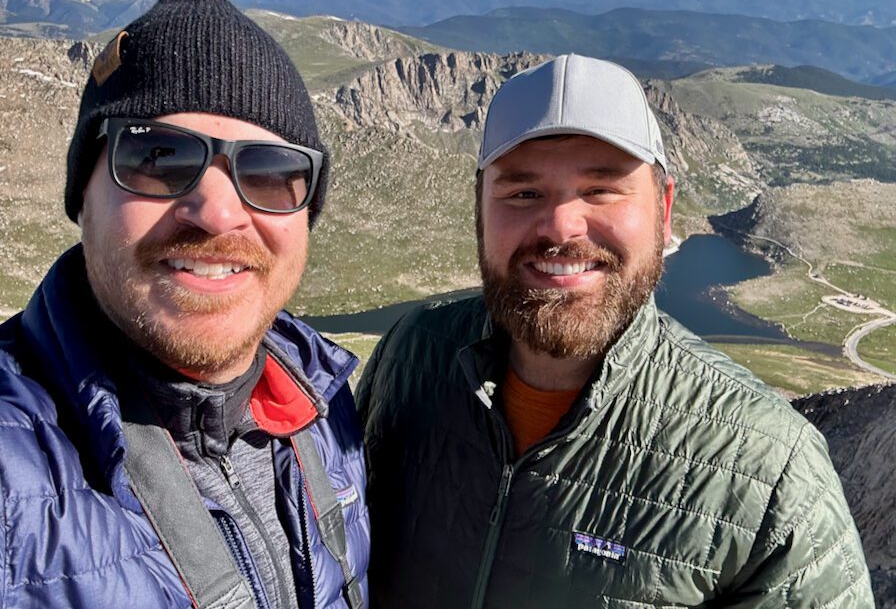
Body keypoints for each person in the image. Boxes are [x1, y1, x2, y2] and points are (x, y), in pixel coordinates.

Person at [0, 0, 368, 609]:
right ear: (84, 195)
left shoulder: (321, 398)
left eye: (269, 173)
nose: (217, 214)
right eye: (157, 157)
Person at [356, 54, 872, 608]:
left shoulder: (770, 468)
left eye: (601, 189)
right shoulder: (411, 357)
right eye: (523, 193)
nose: (560, 225)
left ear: (665, 211)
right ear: (480, 212)